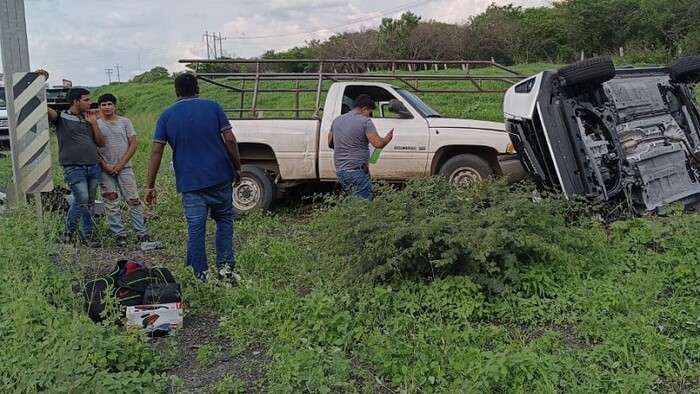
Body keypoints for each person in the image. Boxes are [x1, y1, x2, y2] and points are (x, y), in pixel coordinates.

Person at [144, 73, 243, 283]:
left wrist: (149, 186)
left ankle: (199, 275)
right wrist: (237, 167)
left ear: (176, 92)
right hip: (220, 176)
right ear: (198, 89)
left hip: (191, 183)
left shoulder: (166, 116)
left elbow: (156, 151)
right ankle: (226, 269)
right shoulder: (213, 107)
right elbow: (230, 140)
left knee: (196, 229)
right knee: (224, 221)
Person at [38, 70, 105, 247]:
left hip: (93, 166)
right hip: (74, 167)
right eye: (86, 100)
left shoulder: (90, 119)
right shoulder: (61, 117)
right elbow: (42, 107)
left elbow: (100, 142)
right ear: (76, 101)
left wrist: (94, 124)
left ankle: (87, 235)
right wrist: (40, 83)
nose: (89, 103)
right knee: (82, 200)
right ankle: (67, 234)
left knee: (88, 202)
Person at [96, 93, 151, 246]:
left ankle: (141, 232)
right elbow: (93, 148)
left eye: (109, 104)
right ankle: (119, 234)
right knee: (111, 200)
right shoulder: (96, 124)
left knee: (133, 199)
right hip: (105, 169)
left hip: (125, 168)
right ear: (100, 107)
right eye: (103, 104)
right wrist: (105, 165)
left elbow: (133, 144)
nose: (107, 107)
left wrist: (121, 164)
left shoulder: (124, 122)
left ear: (115, 106)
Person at [328, 94, 393, 200]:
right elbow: (378, 144)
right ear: (364, 109)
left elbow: (330, 143)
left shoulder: (337, 120)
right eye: (369, 112)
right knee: (363, 205)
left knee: (353, 201)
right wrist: (387, 138)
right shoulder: (365, 122)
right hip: (357, 171)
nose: (369, 115)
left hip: (341, 171)